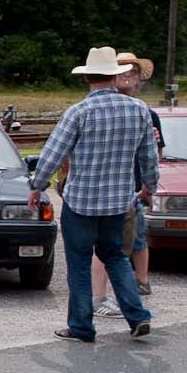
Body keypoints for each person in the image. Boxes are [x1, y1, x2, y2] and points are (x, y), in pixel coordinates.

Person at [28, 46, 158, 342]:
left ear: (87, 77)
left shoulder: (78, 112)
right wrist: (149, 187)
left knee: (79, 265)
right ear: (114, 76)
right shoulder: (139, 110)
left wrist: (37, 186)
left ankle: (82, 327)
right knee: (115, 256)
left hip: (81, 203)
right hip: (118, 202)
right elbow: (149, 157)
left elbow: (52, 154)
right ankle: (138, 316)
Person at [92, 52, 164, 317]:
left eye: (133, 71)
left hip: (132, 190)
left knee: (129, 243)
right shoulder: (97, 108)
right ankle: (100, 298)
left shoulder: (146, 113)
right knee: (107, 246)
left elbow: (155, 157)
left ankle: (126, 294)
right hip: (102, 189)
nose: (127, 75)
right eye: (122, 69)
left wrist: (148, 187)